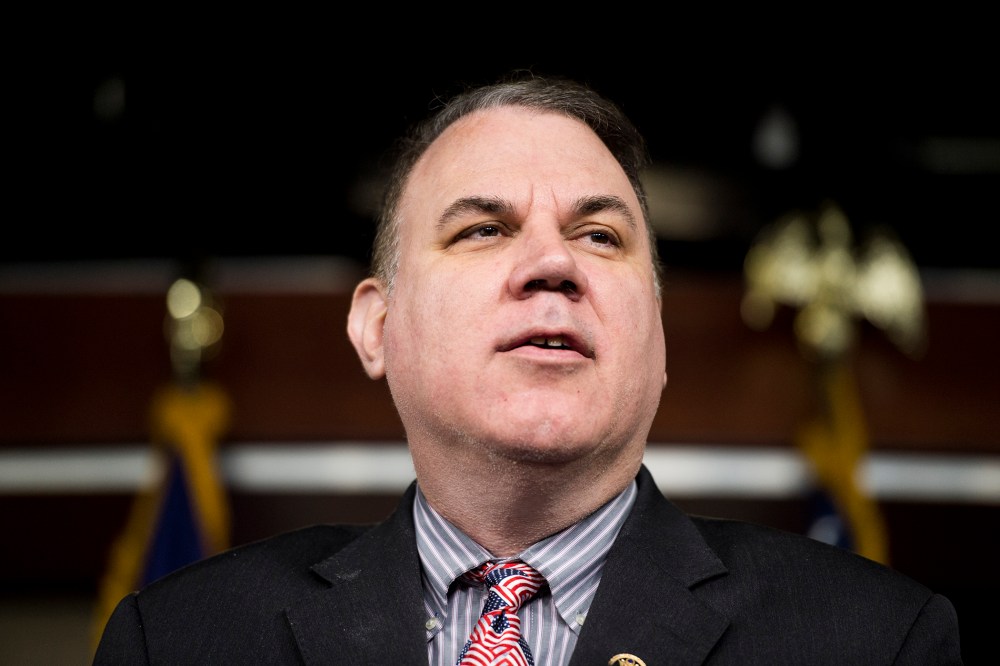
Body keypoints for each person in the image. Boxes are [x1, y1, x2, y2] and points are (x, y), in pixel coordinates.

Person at [93, 71, 963, 665]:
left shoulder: (875, 641)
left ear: (655, 338)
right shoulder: (178, 640)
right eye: (483, 228)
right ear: (376, 326)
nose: (553, 264)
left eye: (600, 235)